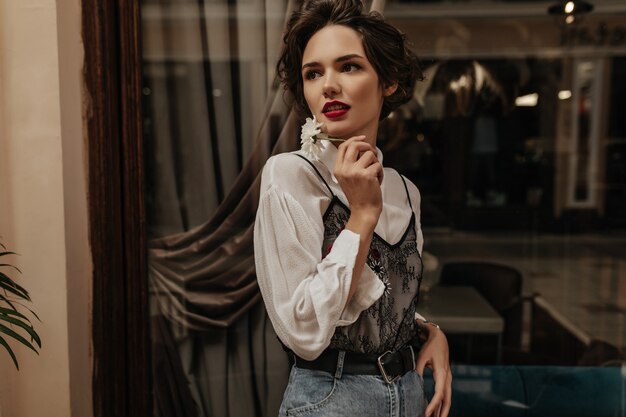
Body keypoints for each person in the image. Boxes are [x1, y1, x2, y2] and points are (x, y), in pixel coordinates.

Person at [254, 1, 452, 416]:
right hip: (332, 397)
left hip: (410, 390)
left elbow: (382, 297)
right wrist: (361, 217)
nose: (328, 85)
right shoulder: (291, 175)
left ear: (389, 81)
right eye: (313, 73)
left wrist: (427, 330)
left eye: (348, 67)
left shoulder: (403, 189)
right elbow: (304, 329)